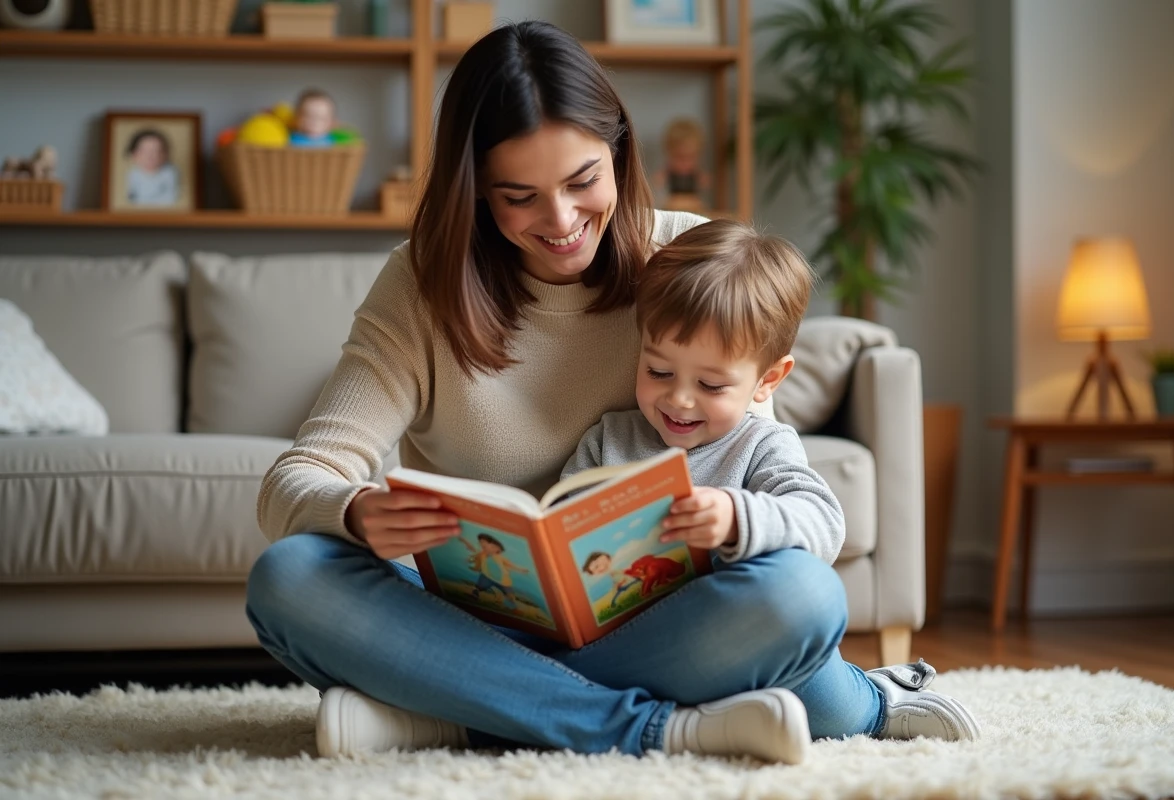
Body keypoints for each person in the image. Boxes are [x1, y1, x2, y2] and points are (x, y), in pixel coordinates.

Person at [245, 20, 977, 767]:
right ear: (476, 192)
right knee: (289, 579)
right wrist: (359, 512)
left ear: (620, 152)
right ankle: (654, 728)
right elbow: (292, 484)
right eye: (519, 196)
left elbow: (752, 457)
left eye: (583, 180)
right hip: (472, 617)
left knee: (802, 600)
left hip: (655, 624)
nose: (561, 222)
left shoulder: (691, 265)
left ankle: (459, 714)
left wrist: (724, 527)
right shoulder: (422, 286)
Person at [562, 216, 981, 744]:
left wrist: (737, 517)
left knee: (809, 615)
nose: (679, 399)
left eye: (711, 384)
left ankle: (876, 703)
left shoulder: (763, 444)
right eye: (659, 371)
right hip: (634, 643)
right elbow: (564, 521)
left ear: (768, 381)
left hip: (738, 637)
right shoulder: (610, 439)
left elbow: (824, 522)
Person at [124, 129, 179, 207]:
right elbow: (131, 198)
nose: (151, 156)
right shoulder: (133, 174)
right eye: (145, 152)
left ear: (166, 154)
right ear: (134, 155)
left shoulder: (170, 172)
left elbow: (171, 198)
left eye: (157, 151)